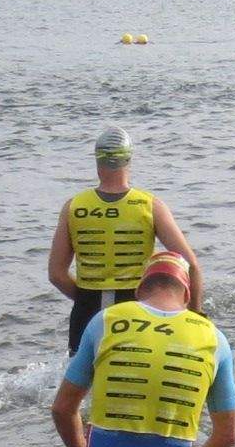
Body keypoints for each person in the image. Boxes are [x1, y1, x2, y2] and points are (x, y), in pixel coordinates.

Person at [52, 250, 235, 447]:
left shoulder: (106, 321)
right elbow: (227, 436)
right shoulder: (214, 339)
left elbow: (63, 409)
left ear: (140, 290)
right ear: (187, 295)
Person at [47, 128, 202, 355]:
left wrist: (85, 297)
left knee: (80, 382)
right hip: (136, 310)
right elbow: (191, 265)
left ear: (97, 160)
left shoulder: (74, 207)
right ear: (129, 160)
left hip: (87, 311)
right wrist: (196, 316)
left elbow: (56, 274)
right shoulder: (149, 206)